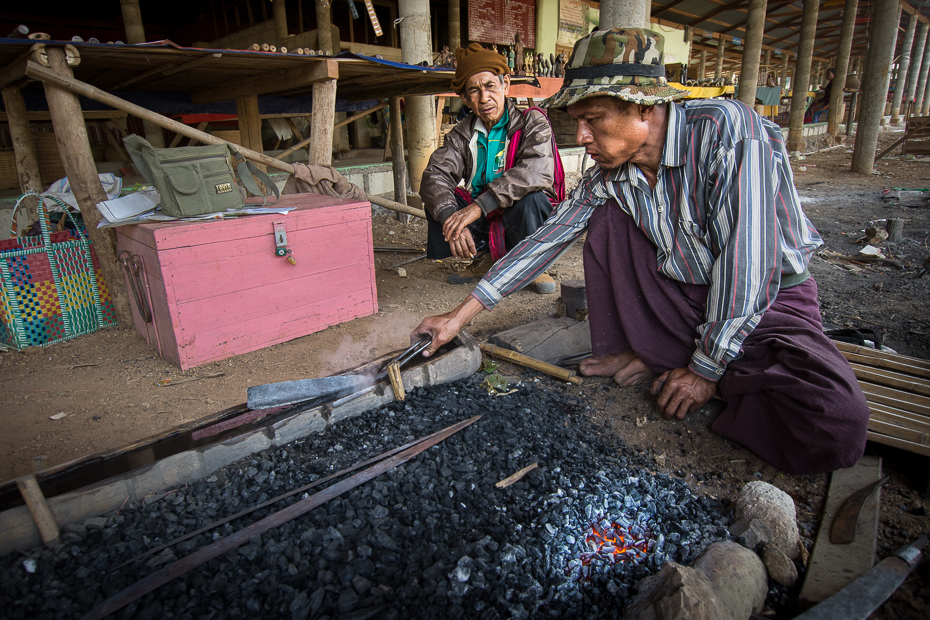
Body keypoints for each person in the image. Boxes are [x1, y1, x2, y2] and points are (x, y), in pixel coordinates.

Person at [412, 29, 869, 475]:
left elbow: (747, 265)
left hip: (768, 302)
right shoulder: (610, 173)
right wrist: (458, 317)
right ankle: (670, 355)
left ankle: (680, 359)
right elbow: (545, 240)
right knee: (609, 223)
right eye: (578, 123)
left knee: (836, 424)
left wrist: (705, 371)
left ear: (643, 108)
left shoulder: (728, 132)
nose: (581, 138)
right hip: (690, 299)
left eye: (593, 120)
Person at [421, 42, 559, 293]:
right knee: (439, 201)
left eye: (490, 86)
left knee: (533, 199)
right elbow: (435, 175)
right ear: (464, 97)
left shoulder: (532, 122)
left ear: (505, 84)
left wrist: (479, 205)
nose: (484, 98)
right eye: (473, 91)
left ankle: (534, 263)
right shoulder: (461, 135)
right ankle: (486, 258)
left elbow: (536, 170)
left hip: (516, 212)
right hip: (485, 216)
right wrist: (451, 218)